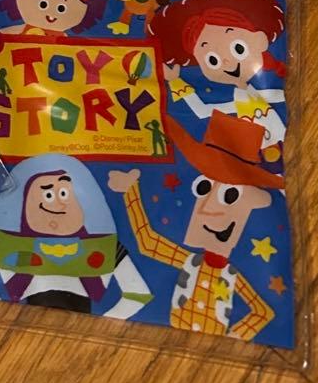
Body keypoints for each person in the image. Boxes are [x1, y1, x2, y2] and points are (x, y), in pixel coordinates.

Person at [108, 111, 280, 341]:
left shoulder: (230, 275)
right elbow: (147, 243)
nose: (207, 208)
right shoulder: (192, 262)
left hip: (210, 345)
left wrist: (234, 337)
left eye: (229, 196)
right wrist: (131, 192)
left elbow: (263, 312)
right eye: (203, 189)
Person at [0, 153, 151, 319]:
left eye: (64, 193)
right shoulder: (4, 245)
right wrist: (8, 320)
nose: (60, 204)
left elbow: (138, 295)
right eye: (47, 195)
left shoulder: (106, 247)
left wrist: (103, 324)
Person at [149, 0, 286, 163]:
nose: (227, 63)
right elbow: (202, 111)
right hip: (256, 156)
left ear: (260, 40)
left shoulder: (263, 92)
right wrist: (176, 81)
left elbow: (279, 95)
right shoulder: (245, 99)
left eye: (238, 48)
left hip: (278, 148)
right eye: (212, 60)